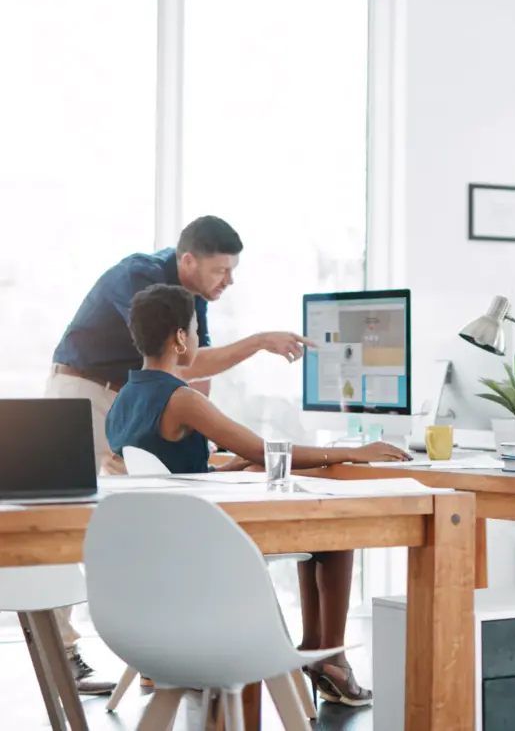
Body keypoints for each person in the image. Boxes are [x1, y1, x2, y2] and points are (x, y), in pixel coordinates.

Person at [106, 283, 411, 705]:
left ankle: (317, 651)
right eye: (195, 329)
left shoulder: (124, 397)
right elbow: (261, 451)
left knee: (319, 533)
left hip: (168, 546)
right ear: (179, 338)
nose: (197, 339)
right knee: (336, 530)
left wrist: (221, 468)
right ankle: (329, 656)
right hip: (206, 543)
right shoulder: (182, 398)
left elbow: (163, 466)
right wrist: (353, 452)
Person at [45, 215, 313, 694]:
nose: (228, 281)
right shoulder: (140, 279)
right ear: (188, 260)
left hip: (128, 395)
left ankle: (158, 645)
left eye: (232, 271)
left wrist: (202, 433)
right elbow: (174, 353)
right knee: (67, 521)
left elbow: (190, 368)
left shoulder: (192, 300)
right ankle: (61, 653)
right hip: (84, 392)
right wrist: (258, 342)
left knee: (149, 517)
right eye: (220, 270)